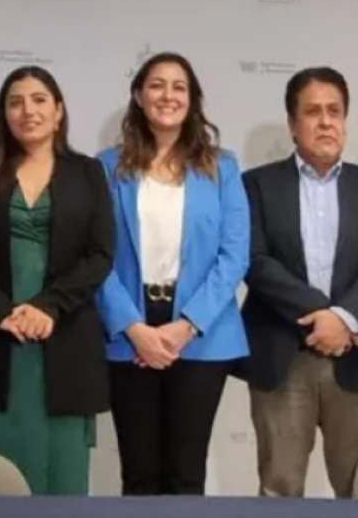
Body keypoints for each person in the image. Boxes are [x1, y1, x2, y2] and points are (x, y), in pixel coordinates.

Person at [0, 66, 115, 495]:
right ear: (4, 113)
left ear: (58, 111)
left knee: (60, 480)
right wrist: (0, 311)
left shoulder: (88, 173)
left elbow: (100, 253)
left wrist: (48, 307)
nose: (28, 111)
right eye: (16, 102)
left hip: (64, 341)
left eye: (39, 100)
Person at [240, 66, 358, 498]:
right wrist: (321, 316)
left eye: (335, 111)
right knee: (279, 491)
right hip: (283, 356)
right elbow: (253, 260)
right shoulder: (256, 185)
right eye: (313, 112)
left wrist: (344, 319)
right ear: (293, 125)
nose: (326, 121)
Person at [95, 51, 251, 495]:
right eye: (157, 85)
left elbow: (234, 255)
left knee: (186, 472)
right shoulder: (106, 167)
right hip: (130, 332)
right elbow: (95, 255)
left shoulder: (222, 167)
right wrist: (134, 328)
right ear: (138, 95)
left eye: (179, 87)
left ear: (192, 99)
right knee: (139, 473)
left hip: (202, 333)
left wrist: (187, 326)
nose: (168, 95)